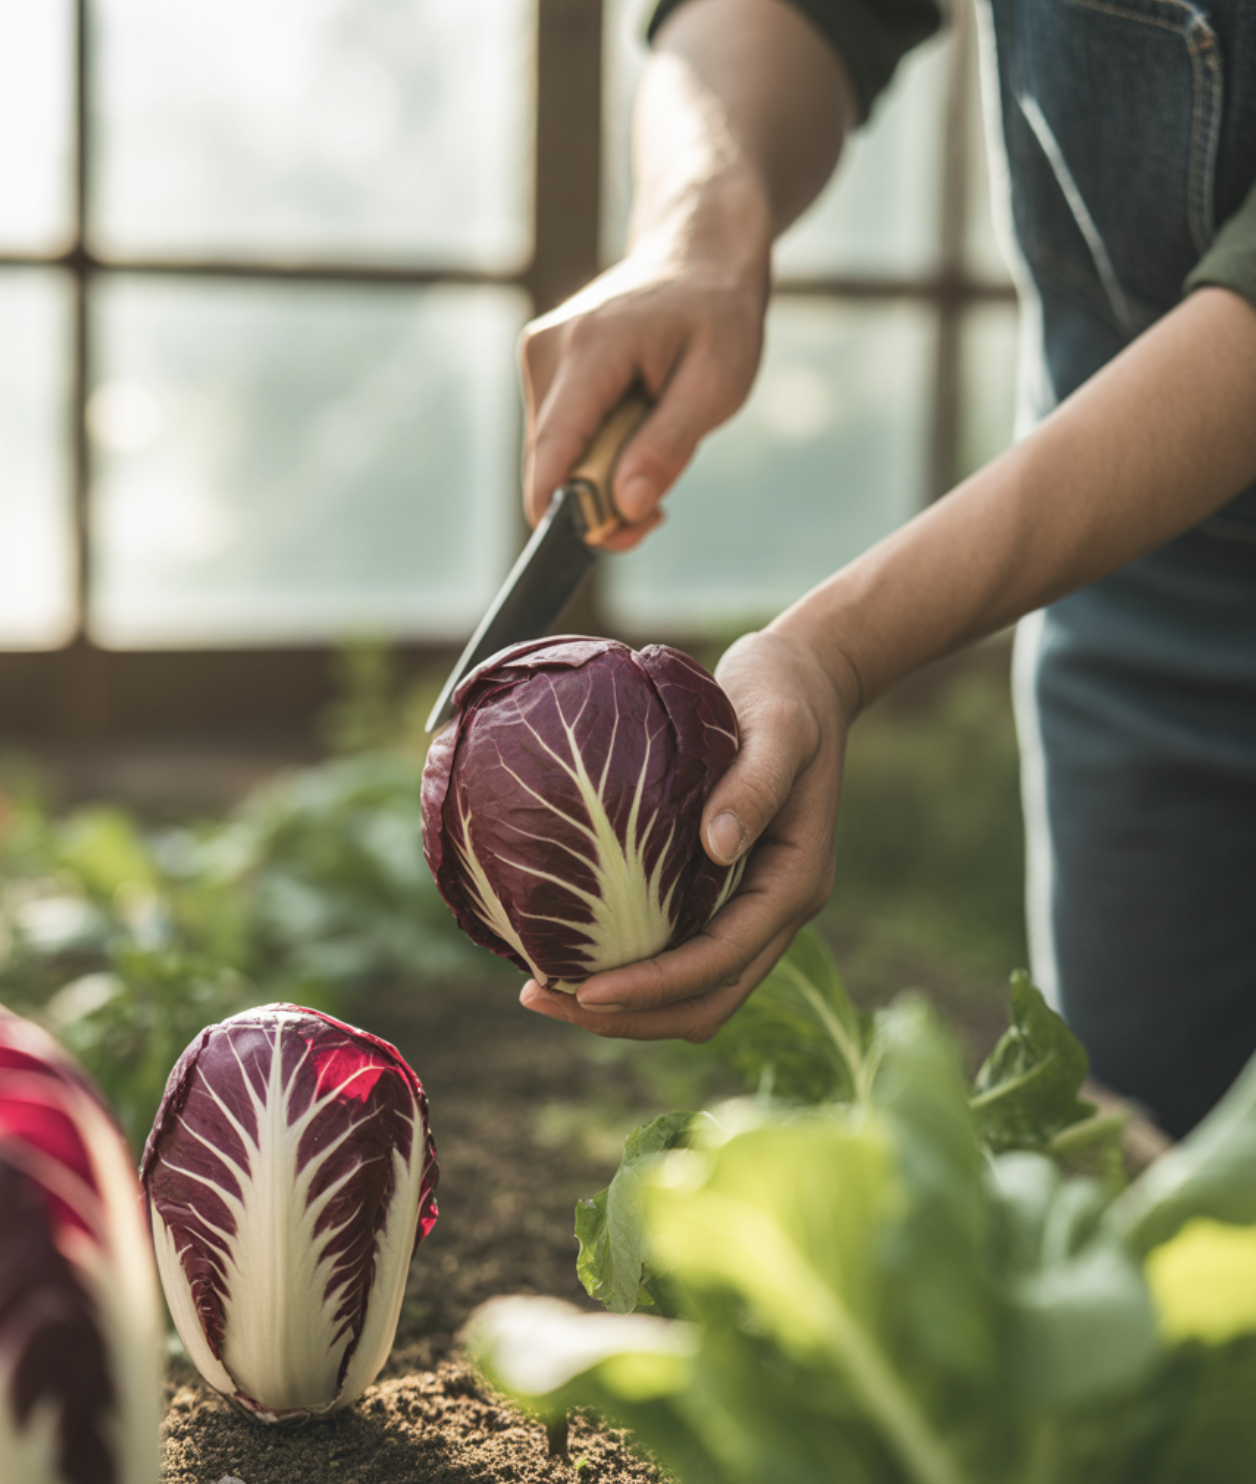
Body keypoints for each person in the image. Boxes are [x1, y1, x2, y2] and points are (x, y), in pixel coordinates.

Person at [516, 0, 1256, 1138]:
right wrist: (696, 217)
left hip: (1129, 474)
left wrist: (834, 649)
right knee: (1149, 1174)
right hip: (1123, 559)